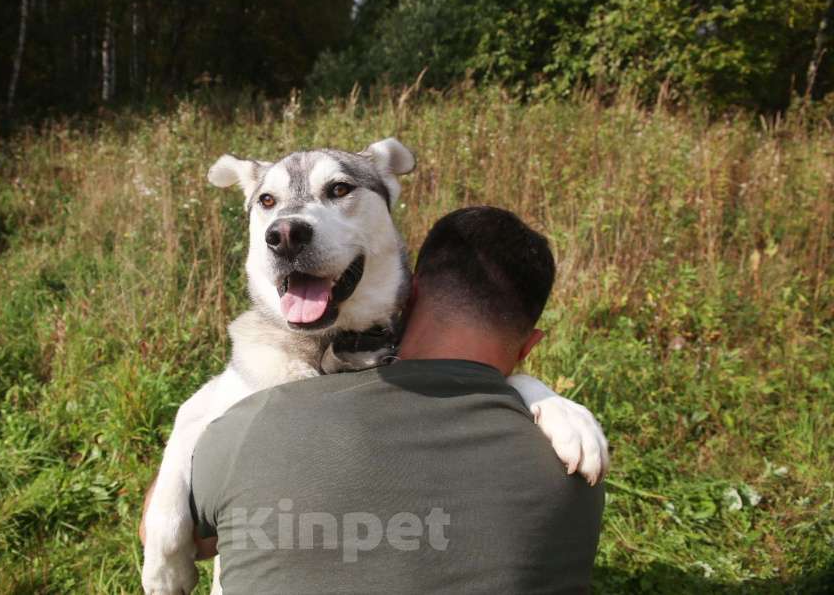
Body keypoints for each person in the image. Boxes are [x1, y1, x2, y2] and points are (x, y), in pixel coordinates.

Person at [155, 206, 605, 593]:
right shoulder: (576, 470)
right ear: (530, 346)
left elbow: (196, 540)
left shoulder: (252, 426)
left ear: (408, 294)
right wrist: (534, 391)